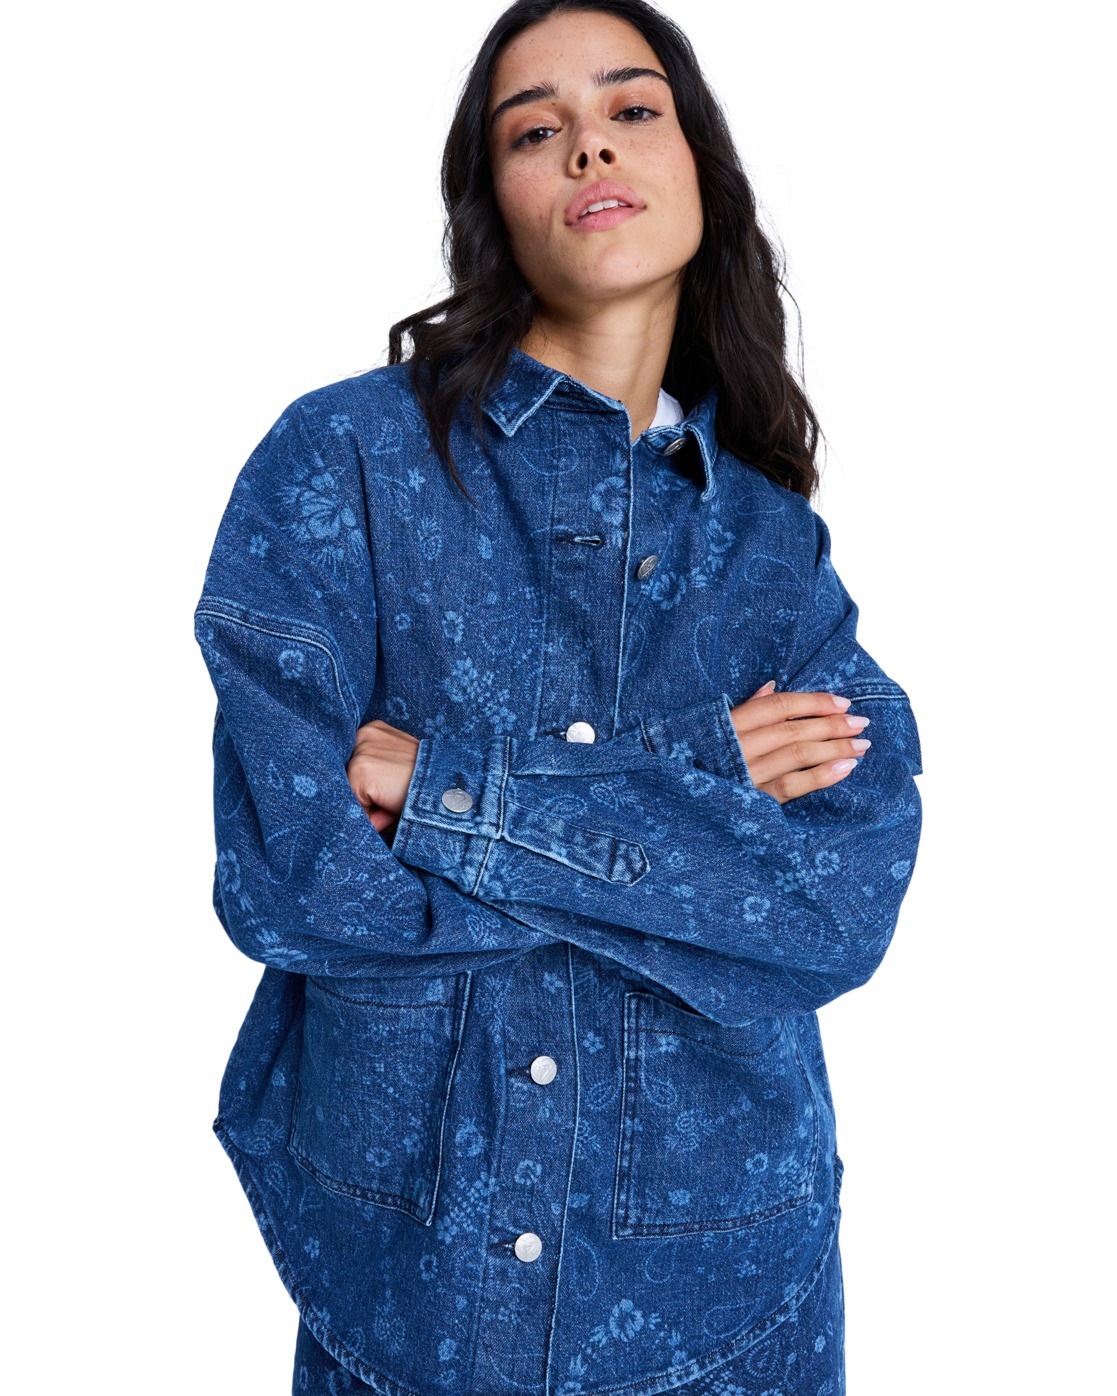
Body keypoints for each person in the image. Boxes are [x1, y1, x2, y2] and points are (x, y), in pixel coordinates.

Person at [194, 1, 924, 1391]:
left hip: (733, 1296)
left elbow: (832, 911)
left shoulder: (771, 551)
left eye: (632, 109)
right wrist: (697, 795)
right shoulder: (344, 462)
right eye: (535, 132)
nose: (590, 144)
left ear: (700, 164)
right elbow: (294, 881)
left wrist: (443, 798)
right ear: (493, 206)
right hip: (411, 1293)